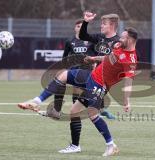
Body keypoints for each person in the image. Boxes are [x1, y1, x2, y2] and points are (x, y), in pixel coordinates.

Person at [20, 27, 138, 156]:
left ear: (130, 40)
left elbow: (128, 82)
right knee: (65, 81)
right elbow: (109, 58)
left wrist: (126, 101)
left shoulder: (130, 60)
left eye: (123, 37)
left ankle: (111, 145)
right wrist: (94, 59)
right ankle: (37, 101)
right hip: (91, 76)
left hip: (100, 85)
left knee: (92, 115)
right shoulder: (119, 47)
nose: (120, 39)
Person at [79, 11, 121, 119]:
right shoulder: (100, 37)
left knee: (87, 101)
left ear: (112, 25)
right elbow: (82, 35)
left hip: (107, 79)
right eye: (101, 23)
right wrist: (85, 22)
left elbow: (113, 61)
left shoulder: (118, 42)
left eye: (104, 23)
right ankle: (101, 110)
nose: (101, 25)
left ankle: (99, 112)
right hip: (95, 75)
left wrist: (94, 59)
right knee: (85, 100)